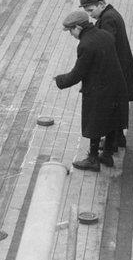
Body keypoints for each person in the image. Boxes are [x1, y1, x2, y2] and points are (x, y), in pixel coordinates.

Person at [54, 10, 128, 171]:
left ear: (79, 27)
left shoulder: (85, 44)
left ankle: (93, 159)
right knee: (111, 120)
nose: (71, 34)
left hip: (99, 89)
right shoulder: (104, 35)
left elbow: (78, 74)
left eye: (71, 30)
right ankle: (107, 155)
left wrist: (60, 80)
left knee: (94, 122)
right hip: (116, 85)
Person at [80, 0, 133, 151]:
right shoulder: (111, 14)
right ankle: (119, 138)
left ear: (101, 4)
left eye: (91, 10)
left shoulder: (108, 19)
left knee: (112, 109)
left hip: (116, 71)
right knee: (117, 108)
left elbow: (106, 45)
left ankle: (112, 144)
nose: (90, 15)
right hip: (122, 67)